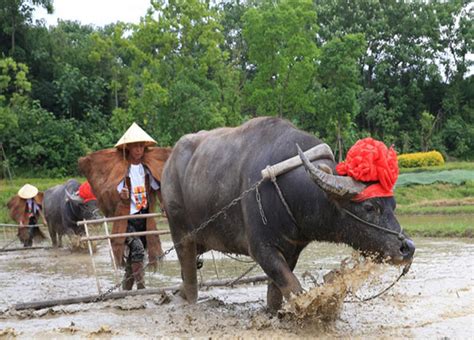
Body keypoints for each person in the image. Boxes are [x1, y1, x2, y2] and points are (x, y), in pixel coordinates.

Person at [113, 123, 164, 290]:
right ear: (128, 148)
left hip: (144, 217)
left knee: (136, 256)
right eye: (135, 146)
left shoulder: (147, 170)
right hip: (127, 219)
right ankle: (142, 289)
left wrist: (164, 204)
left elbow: (158, 189)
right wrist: (123, 196)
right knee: (137, 248)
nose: (138, 150)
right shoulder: (122, 170)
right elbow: (114, 192)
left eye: (141, 146)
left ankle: (126, 290)